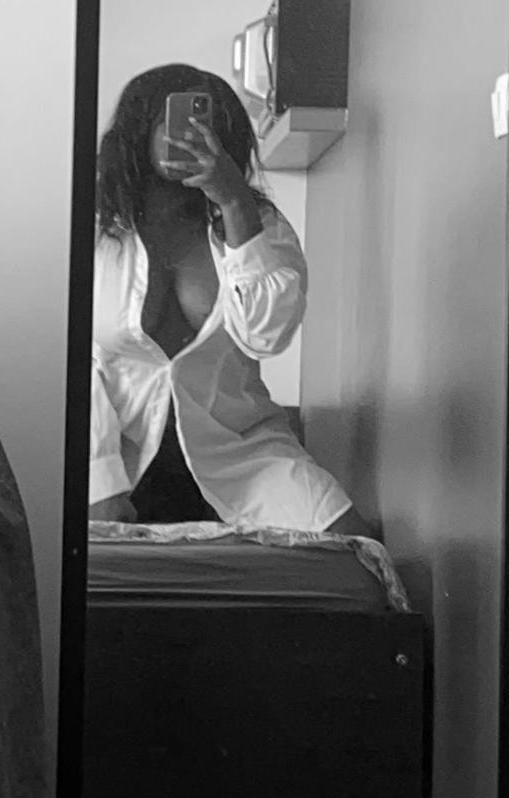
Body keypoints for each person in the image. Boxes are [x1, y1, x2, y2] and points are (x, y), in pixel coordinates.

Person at [89, 63, 369, 535]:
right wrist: (100, 479)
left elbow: (266, 337)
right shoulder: (95, 229)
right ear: (138, 130)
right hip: (118, 447)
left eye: (209, 122)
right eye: (172, 118)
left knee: (354, 546)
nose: (192, 133)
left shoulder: (260, 225)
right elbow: (72, 357)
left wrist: (235, 203)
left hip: (241, 448)